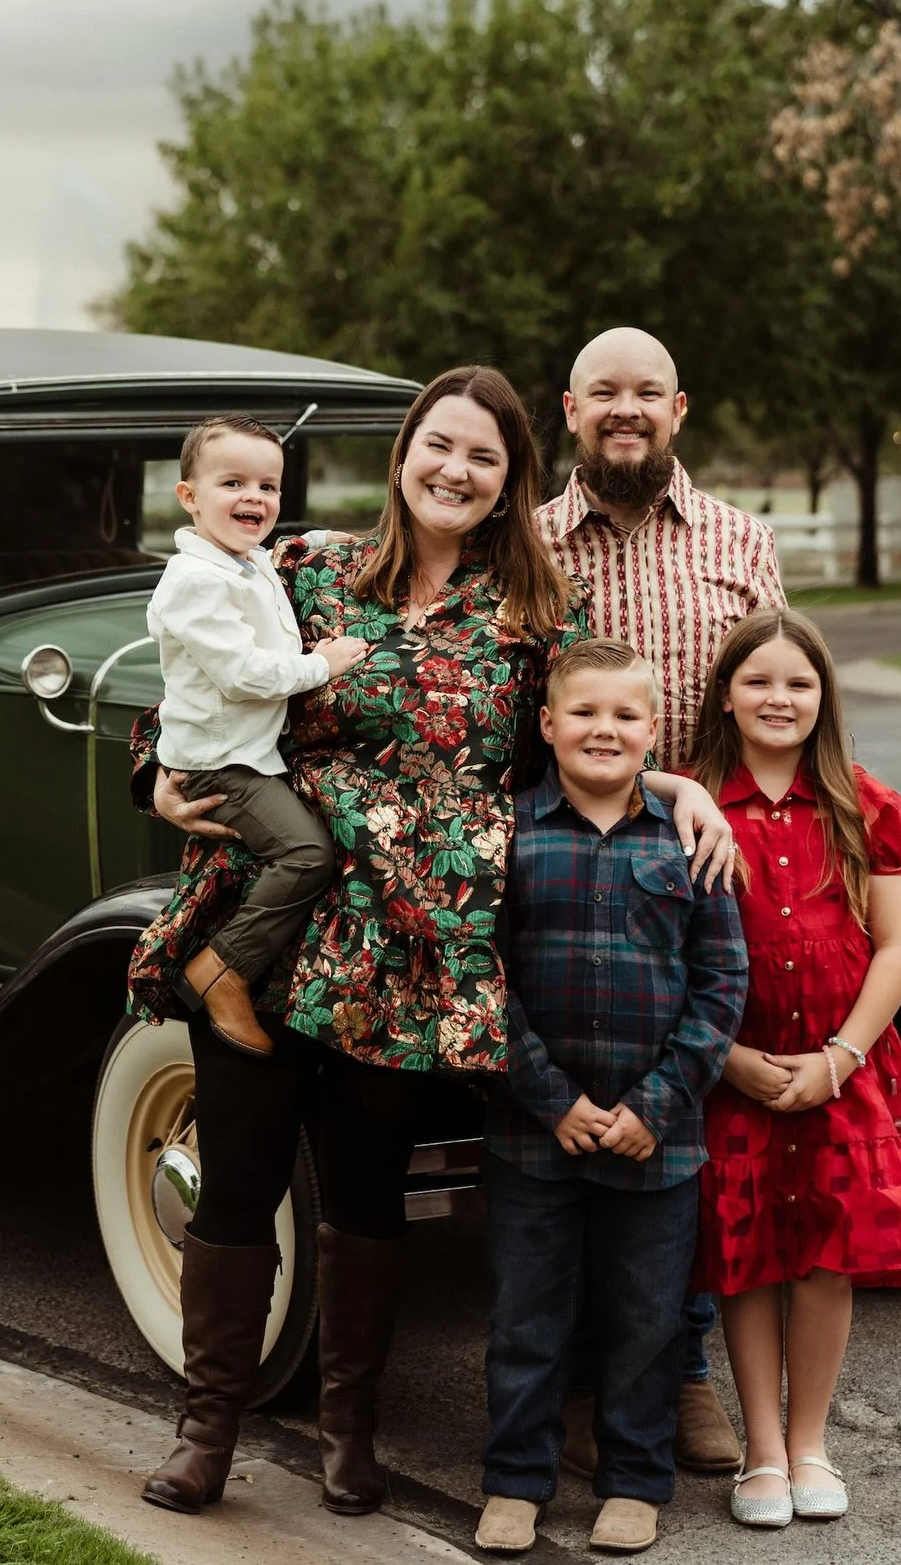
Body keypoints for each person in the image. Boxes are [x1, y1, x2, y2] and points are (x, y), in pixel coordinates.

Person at [126, 366, 736, 1521]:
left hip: (410, 946)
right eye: (438, 446)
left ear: (512, 483)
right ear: (405, 451)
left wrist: (675, 789)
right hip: (267, 918)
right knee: (241, 1173)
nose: (454, 470)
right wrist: (154, 768)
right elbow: (193, 682)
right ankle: (207, 1426)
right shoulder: (299, 569)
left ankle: (345, 1431)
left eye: (484, 458)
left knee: (362, 1191)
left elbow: (591, 734)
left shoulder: (535, 618)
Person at [540, 326, 786, 1479]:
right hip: (567, 863)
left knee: (685, 1121)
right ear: (570, 409)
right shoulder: (527, 543)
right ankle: (585, 1380)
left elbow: (779, 698)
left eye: (645, 393)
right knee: (573, 1110)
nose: (624, 409)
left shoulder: (741, 539)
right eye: (604, 393)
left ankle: (678, 1370)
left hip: (701, 871)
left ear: (678, 409)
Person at [473, 639, 748, 1558]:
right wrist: (549, 1095)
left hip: (657, 1139)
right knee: (527, 1317)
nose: (604, 728)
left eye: (625, 715)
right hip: (531, 1130)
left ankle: (636, 1478)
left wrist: (659, 1104)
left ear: (653, 733)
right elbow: (484, 977)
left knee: (647, 1318)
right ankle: (516, 1476)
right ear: (547, 725)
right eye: (583, 712)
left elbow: (721, 984)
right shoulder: (509, 833)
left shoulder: (691, 844)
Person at [685, 607, 901, 1527]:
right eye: (759, 680)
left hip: (842, 1068)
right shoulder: (689, 802)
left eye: (799, 683)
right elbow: (661, 952)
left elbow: (898, 947)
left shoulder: (866, 805)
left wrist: (841, 1058)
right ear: (726, 693)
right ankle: (759, 1449)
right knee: (748, 1252)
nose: (779, 698)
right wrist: (725, 1058)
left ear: (824, 697)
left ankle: (810, 1442)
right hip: (736, 1068)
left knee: (826, 1257)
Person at [147, 415, 369, 1055]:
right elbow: (243, 674)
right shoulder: (196, 581)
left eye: (268, 486)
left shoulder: (247, 562)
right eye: (233, 482)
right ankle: (220, 968)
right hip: (224, 763)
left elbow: (290, 558)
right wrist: (322, 664)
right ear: (189, 496)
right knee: (306, 855)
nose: (255, 498)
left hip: (248, 753)